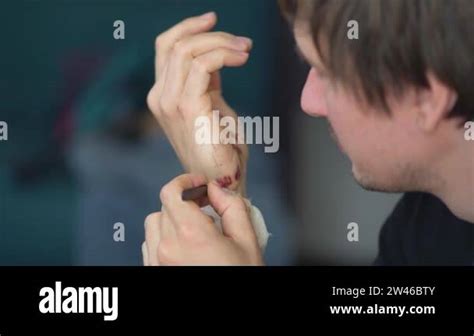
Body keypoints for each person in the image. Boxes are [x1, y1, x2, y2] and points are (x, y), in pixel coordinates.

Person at [142, 0, 473, 266]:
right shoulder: (426, 224)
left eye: (328, 74)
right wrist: (221, 193)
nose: (308, 102)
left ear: (427, 97)